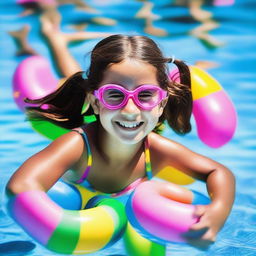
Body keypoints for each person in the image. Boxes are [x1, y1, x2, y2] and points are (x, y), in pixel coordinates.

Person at [7, 15, 235, 251]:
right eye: (115, 95)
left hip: (127, 205)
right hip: (78, 204)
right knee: (76, 79)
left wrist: (218, 210)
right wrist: (45, 229)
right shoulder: (77, 144)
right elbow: (20, 186)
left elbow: (218, 172)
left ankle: (58, 42)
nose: (130, 110)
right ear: (95, 103)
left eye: (145, 95)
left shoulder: (156, 148)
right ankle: (37, 45)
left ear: (162, 103)